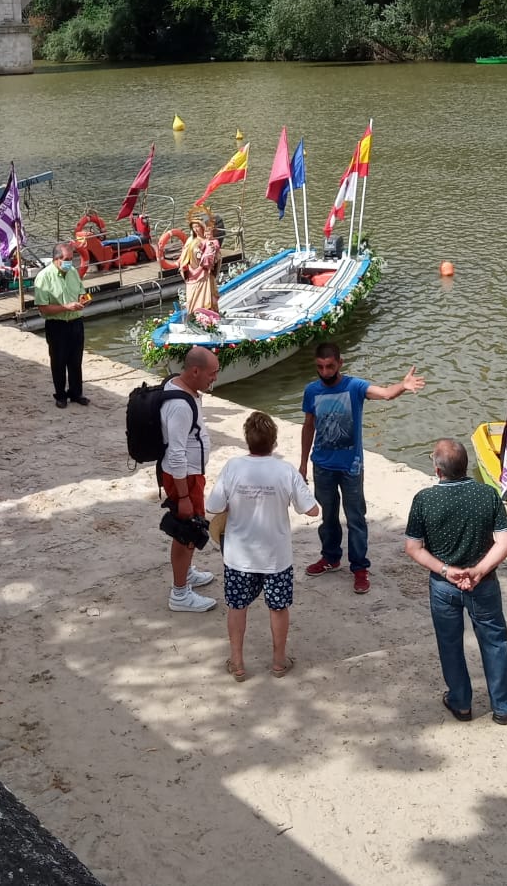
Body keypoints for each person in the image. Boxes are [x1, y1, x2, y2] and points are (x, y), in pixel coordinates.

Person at [405, 439, 507, 724]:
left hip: (443, 586)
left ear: (438, 470)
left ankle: (461, 702)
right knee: (495, 641)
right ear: (467, 466)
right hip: (483, 583)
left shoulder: (424, 499)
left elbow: (413, 548)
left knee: (449, 643)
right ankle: (504, 706)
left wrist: (445, 570)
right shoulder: (487, 494)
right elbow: (506, 542)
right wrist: (479, 570)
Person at [300, 343, 425, 595]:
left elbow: (386, 393)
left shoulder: (355, 387)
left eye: (330, 366)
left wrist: (403, 385)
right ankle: (331, 558)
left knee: (356, 518)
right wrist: (303, 463)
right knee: (328, 517)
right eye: (320, 367)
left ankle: (359, 567)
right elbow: (308, 426)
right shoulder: (311, 391)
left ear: (340, 363)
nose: (324, 372)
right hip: (322, 465)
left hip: (350, 467)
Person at [206, 411, 319, 679]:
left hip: (238, 556)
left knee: (237, 607)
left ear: (247, 439)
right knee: (278, 607)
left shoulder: (233, 467)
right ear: (274, 441)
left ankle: (237, 663)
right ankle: (279, 662)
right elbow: (312, 511)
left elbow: (213, 506)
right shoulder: (285, 470)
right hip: (276, 557)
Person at [161, 346, 221, 612]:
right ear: (195, 371)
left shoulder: (182, 387)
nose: (214, 378)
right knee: (187, 532)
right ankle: (180, 594)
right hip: (185, 477)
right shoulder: (179, 406)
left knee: (190, 529)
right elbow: (176, 453)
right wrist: (184, 496)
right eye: (212, 373)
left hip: (191, 475)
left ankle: (186, 574)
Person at [33, 241, 88, 409]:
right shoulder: (44, 277)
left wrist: (83, 301)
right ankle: (60, 395)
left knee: (76, 360)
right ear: (56, 259)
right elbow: (42, 308)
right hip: (57, 325)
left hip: (76, 322)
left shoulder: (72, 272)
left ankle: (76, 393)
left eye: (72, 258)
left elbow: (82, 293)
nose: (70, 262)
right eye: (67, 259)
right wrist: (66, 307)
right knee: (58, 361)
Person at [178, 215, 220, 318]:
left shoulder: (210, 241)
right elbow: (184, 256)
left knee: (206, 297)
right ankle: (193, 315)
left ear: (203, 227)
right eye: (193, 227)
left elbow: (217, 257)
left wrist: (211, 258)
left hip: (205, 274)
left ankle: (207, 317)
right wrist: (184, 266)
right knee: (192, 297)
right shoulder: (190, 241)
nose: (196, 229)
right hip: (192, 273)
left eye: (197, 226)